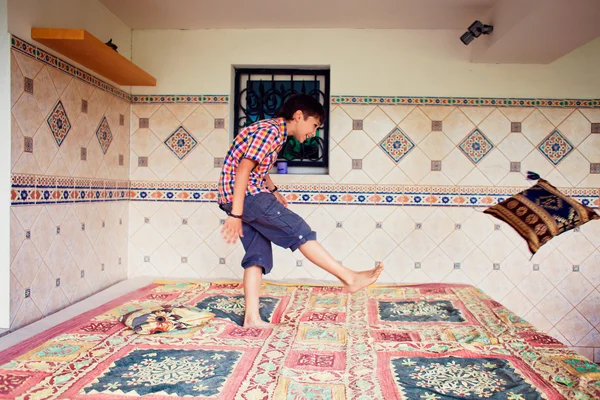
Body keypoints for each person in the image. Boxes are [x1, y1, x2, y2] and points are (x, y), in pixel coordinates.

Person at [218, 94, 384, 328]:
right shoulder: (270, 132)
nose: (314, 132)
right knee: (299, 231)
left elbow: (256, 166)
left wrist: (273, 189)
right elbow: (244, 169)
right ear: (298, 116)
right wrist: (236, 215)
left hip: (239, 196)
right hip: (248, 197)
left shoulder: (270, 131)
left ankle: (252, 319)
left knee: (257, 254)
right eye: (314, 125)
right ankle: (349, 277)